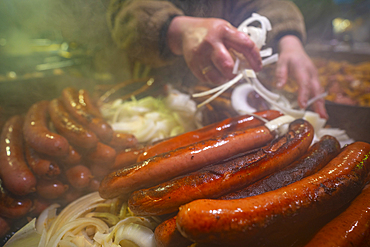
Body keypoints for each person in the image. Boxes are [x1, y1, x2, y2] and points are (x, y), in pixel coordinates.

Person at [106, 0, 328, 119]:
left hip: (223, 97)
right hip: (155, 93)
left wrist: (288, 39)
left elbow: (266, 2)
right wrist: (179, 29)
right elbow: (126, 12)